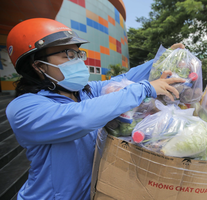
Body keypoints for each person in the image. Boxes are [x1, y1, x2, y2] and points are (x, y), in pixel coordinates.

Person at [5, 18, 185, 200]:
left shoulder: (86, 92)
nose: (77, 62)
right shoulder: (23, 109)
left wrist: (163, 58)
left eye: (78, 54)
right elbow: (82, 118)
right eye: (68, 54)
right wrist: (145, 89)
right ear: (39, 66)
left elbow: (125, 80)